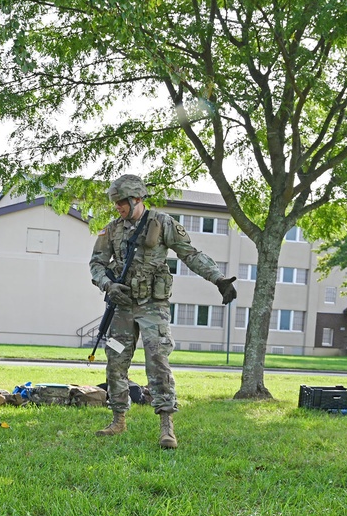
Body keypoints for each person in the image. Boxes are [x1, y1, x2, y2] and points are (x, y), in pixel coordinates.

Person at [89, 174, 237, 449]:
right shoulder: (111, 230)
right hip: (122, 308)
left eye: (122, 202)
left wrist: (218, 278)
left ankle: (166, 426)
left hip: (153, 307)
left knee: (158, 361)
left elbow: (190, 254)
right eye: (115, 202)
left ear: (137, 199)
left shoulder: (163, 223)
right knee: (115, 361)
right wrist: (108, 285)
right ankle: (118, 420)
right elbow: (96, 264)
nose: (118, 207)